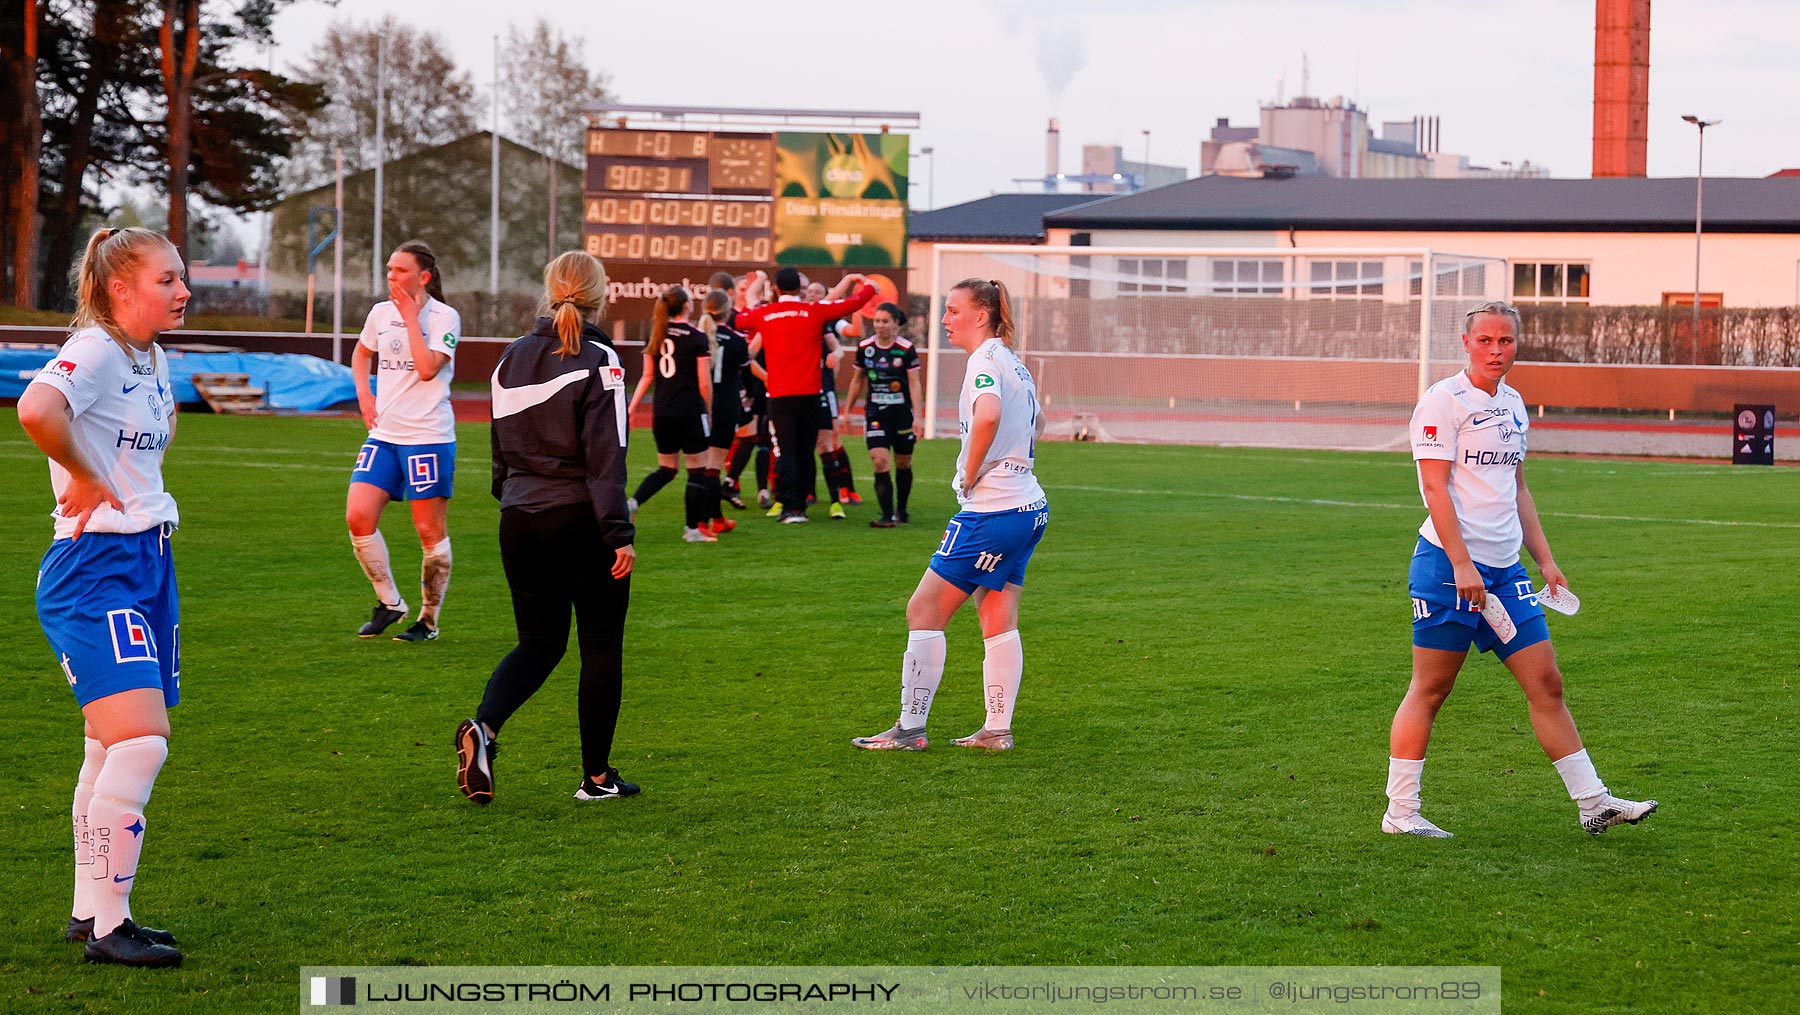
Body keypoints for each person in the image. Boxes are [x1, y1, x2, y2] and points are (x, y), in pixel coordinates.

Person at [1384, 300, 1656, 838]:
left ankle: (1593, 803)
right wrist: (1462, 564)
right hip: (1447, 569)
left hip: (1507, 574)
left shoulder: (1513, 404)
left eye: (1505, 341)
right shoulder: (1443, 401)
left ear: (1517, 344)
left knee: (1546, 683)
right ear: (1466, 344)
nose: (1495, 350)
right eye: (1485, 340)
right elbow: (1434, 487)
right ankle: (1402, 813)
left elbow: (1519, 487)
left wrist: (1546, 559)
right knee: (1431, 689)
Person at [18, 226, 190, 966]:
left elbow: (151, 439)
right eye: (167, 279)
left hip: (146, 561)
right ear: (121, 288)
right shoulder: (93, 347)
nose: (184, 291)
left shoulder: (148, 356)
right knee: (141, 739)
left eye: (183, 278)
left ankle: (92, 909)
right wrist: (84, 475)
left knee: (106, 743)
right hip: (94, 566)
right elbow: (36, 408)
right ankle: (111, 927)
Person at [457, 250, 640, 805]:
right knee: (601, 646)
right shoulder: (601, 358)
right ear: (599, 294)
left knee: (538, 643)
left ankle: (484, 729)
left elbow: (497, 450)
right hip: (580, 519)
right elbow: (607, 457)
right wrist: (619, 532)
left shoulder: (509, 357)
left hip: (519, 518)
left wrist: (513, 502)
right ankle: (597, 778)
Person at [853, 279, 1047, 752]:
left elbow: (987, 416)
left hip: (994, 511)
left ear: (981, 316)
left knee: (922, 609)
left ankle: (911, 728)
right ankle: (996, 731)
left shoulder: (983, 360)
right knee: (998, 618)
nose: (945, 319)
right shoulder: (1014, 362)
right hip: (1029, 507)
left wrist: (969, 469)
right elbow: (1038, 421)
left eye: (953, 310)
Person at [346, 240, 461, 642]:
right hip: (386, 434)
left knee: (428, 531)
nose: (390, 276)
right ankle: (390, 602)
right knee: (358, 517)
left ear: (423, 276)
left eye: (399, 270)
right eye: (389, 269)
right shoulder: (379, 313)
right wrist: (364, 394)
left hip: (428, 437)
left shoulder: (445, 317)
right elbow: (361, 355)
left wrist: (412, 318)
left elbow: (428, 369)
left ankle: (428, 622)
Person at [733, 267, 875, 523]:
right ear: (800, 289)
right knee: (806, 451)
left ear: (776, 289)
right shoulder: (814, 311)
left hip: (779, 394)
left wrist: (754, 291)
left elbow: (740, 319)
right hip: (811, 393)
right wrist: (869, 286)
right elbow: (854, 303)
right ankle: (803, 505)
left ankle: (790, 508)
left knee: (785, 452)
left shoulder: (766, 313)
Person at [625, 286, 715, 542]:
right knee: (697, 469)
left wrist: (631, 409)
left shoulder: (656, 334)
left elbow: (647, 376)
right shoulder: (697, 337)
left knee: (667, 468)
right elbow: (705, 384)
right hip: (689, 412)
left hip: (662, 412)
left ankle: (633, 503)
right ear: (686, 305)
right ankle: (692, 530)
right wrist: (707, 411)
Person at [840, 302, 922, 527]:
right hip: (876, 413)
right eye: (877, 321)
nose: (880, 325)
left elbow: (914, 383)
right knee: (880, 460)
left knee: (903, 463)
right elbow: (858, 380)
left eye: (885, 321)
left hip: (902, 414)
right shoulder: (865, 347)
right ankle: (887, 516)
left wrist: (918, 416)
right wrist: (847, 411)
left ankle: (901, 511)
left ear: (896, 324)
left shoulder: (906, 349)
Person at [699, 288, 748, 534]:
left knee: (700, 464)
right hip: (725, 406)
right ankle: (711, 519)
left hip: (698, 405)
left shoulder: (697, 336)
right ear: (728, 312)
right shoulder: (737, 340)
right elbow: (747, 375)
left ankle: (708, 518)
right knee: (713, 466)